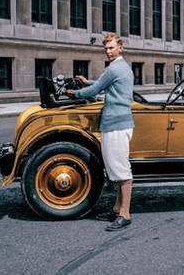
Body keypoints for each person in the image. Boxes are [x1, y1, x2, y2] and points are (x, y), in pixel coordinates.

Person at [67, 33, 134, 231]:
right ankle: (116, 209)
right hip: (117, 123)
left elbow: (94, 91)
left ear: (120, 48)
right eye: (106, 49)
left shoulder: (115, 68)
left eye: (112, 48)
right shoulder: (120, 67)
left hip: (116, 124)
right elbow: (102, 84)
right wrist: (87, 82)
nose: (108, 51)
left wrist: (73, 93)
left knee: (121, 171)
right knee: (115, 170)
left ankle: (125, 214)